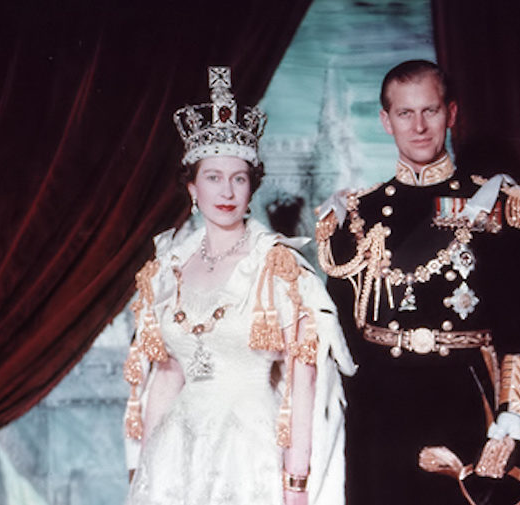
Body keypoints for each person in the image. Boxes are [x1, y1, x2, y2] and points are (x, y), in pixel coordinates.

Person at [315, 60, 520, 504]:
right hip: (380, 409)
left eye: (431, 110)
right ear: (386, 121)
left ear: (452, 113)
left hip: (460, 400)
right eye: (405, 114)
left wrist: (512, 416)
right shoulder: (358, 214)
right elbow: (345, 334)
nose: (420, 126)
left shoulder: (494, 204)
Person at [122, 66, 355, 505]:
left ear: (252, 187)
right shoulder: (168, 268)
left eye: (239, 178)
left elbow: (301, 382)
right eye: (213, 177)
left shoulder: (277, 265)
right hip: (177, 457)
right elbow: (167, 376)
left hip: (252, 455)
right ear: (193, 187)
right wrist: (143, 472)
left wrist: (296, 484)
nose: (226, 191)